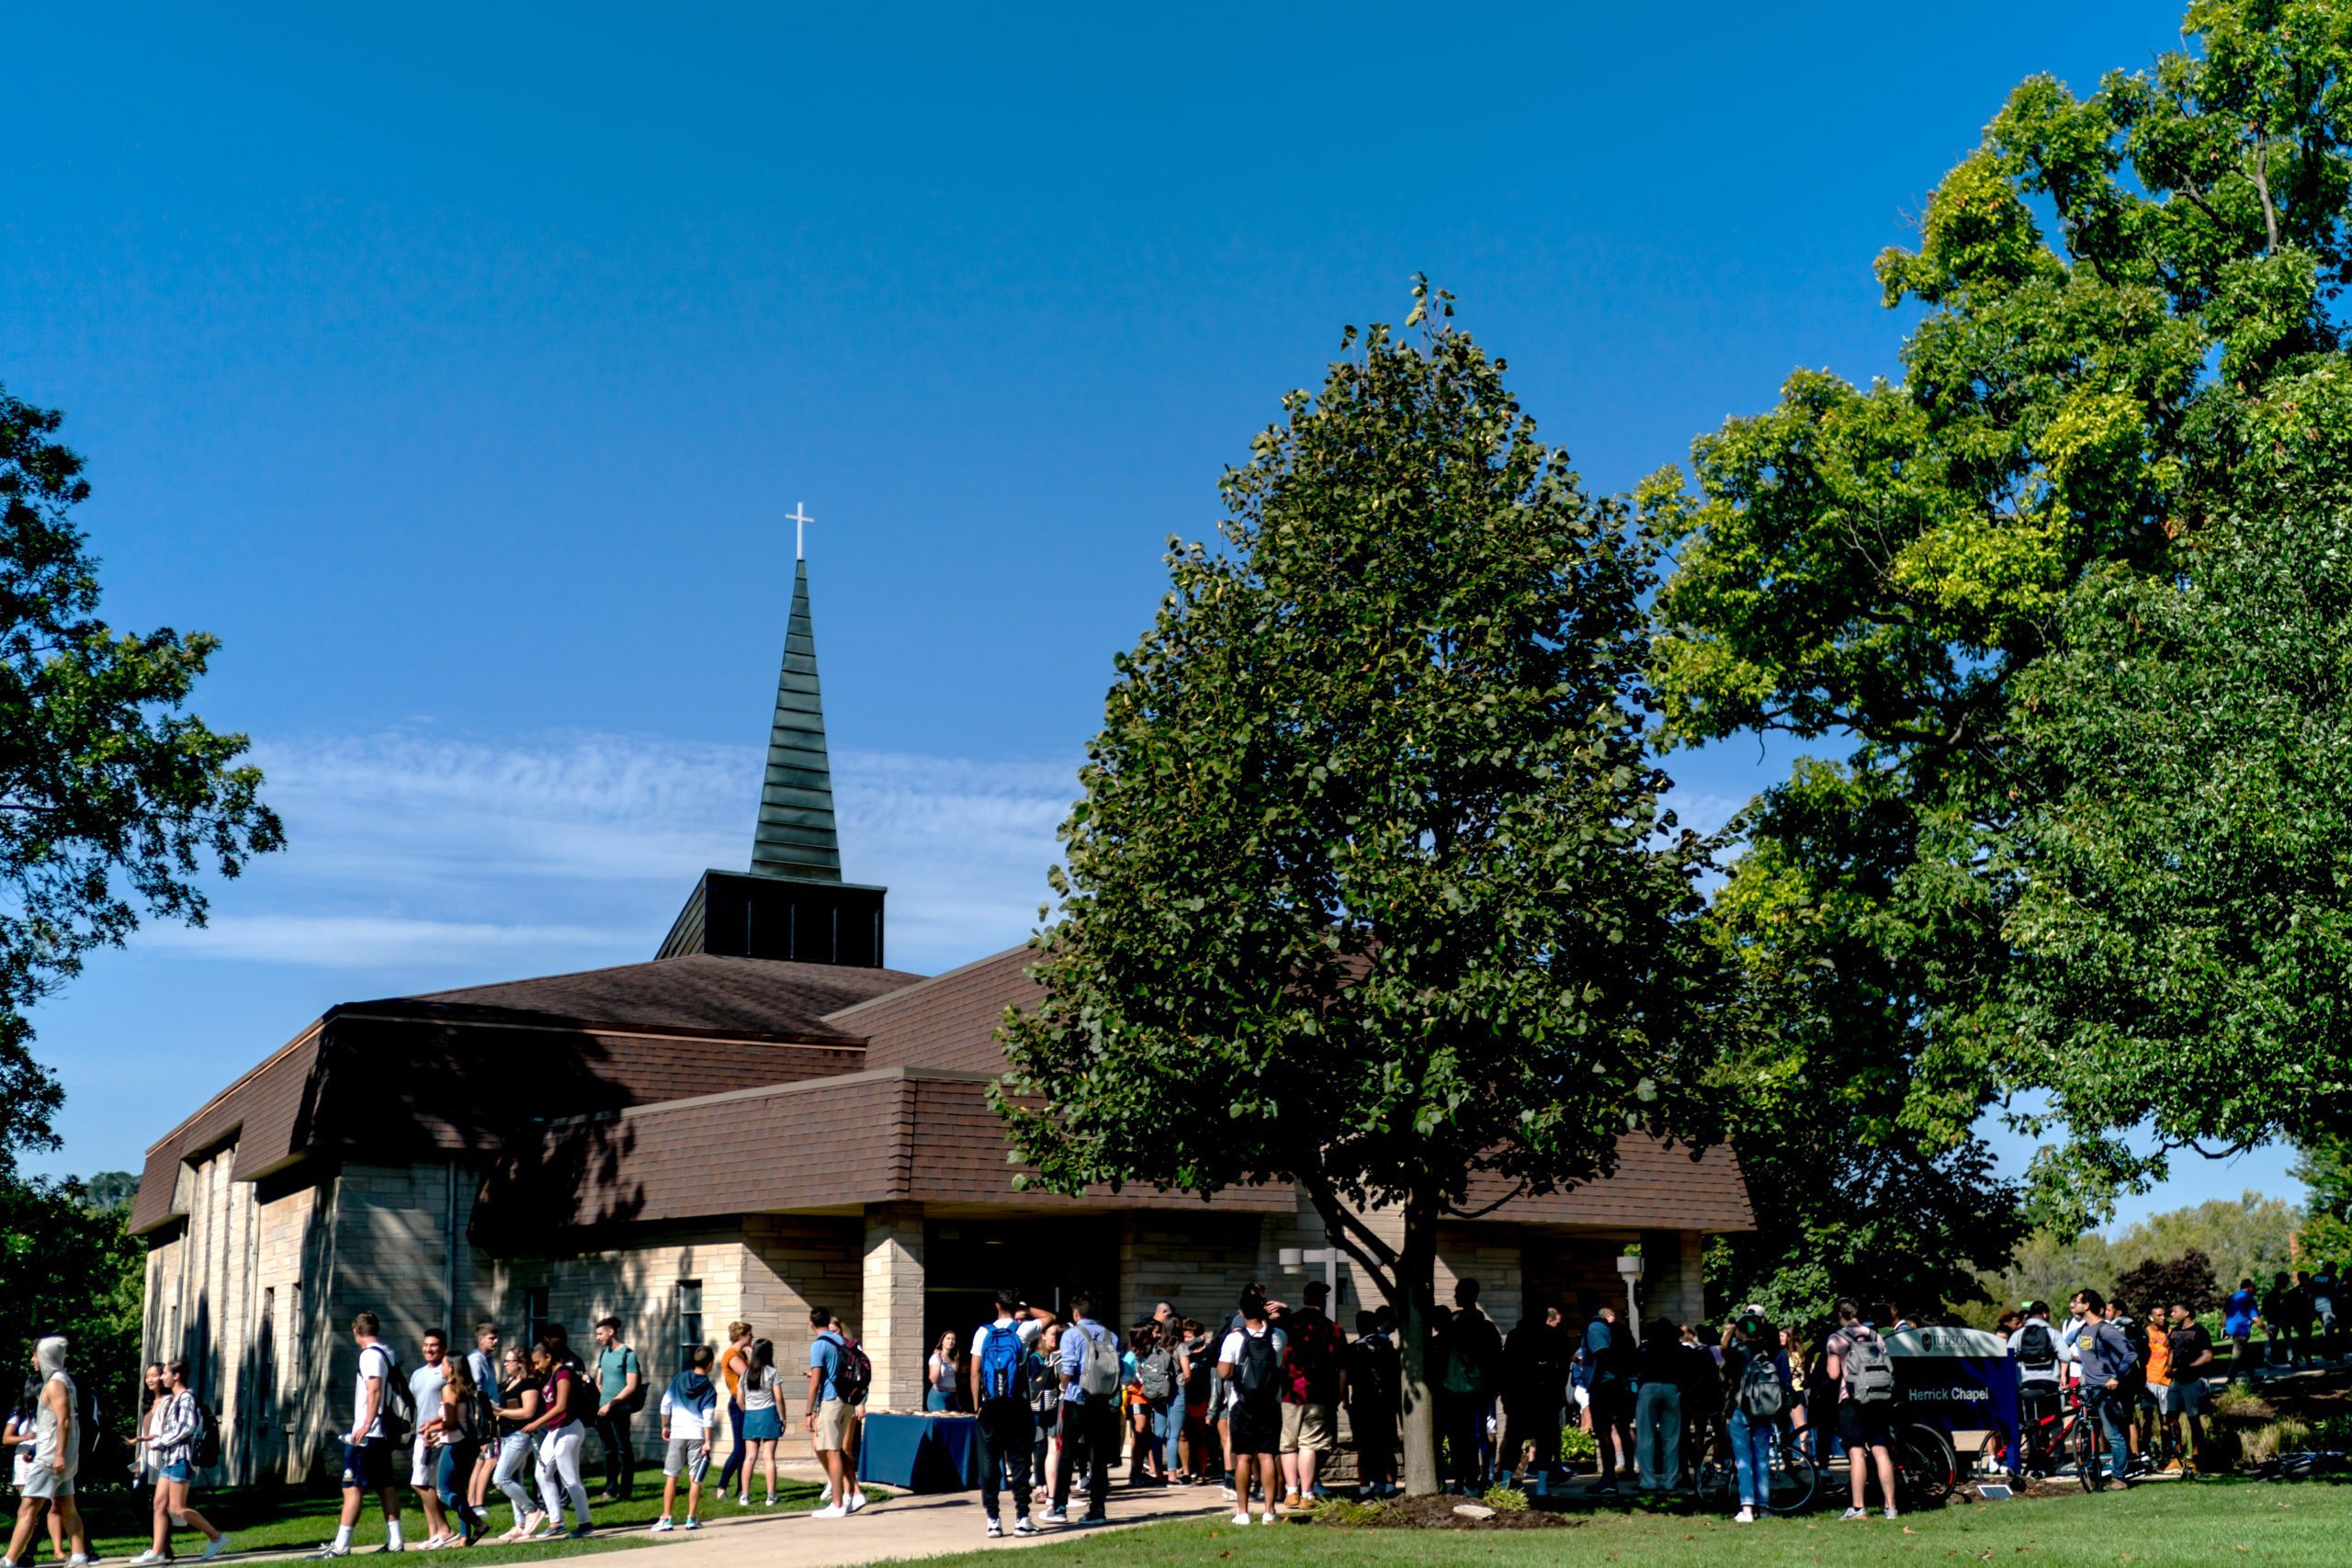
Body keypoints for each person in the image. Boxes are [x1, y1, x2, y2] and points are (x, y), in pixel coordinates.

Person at [309, 1312, 404, 1558]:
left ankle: (341, 1546)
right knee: (385, 1486)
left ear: (356, 1331)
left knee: (351, 1487)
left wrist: (365, 1424)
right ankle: (396, 1541)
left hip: (367, 1435)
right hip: (380, 1434)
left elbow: (374, 1391)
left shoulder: (370, 1356)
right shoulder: (386, 1352)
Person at [130, 1357, 230, 1564]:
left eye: (165, 1373)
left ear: (176, 1376)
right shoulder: (175, 1399)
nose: (162, 1377)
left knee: (177, 1508)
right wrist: (147, 1439)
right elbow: (170, 1429)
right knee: (159, 1504)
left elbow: (186, 1428)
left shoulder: (185, 1398)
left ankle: (216, 1537)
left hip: (180, 1460)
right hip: (170, 1459)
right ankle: (157, 1551)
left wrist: (159, 1442)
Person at [4, 1337, 86, 1568]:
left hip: (50, 1457)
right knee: (66, 1505)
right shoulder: (65, 1381)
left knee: (27, 1509)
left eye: (36, 1354)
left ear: (46, 1356)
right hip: (63, 1458)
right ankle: (79, 1557)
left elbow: (64, 1420)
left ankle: (9, 1560)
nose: (32, 1360)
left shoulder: (55, 1384)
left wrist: (59, 1454)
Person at [970, 1288, 1043, 1538]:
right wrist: (1027, 1309)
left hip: (990, 1405)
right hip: (1017, 1404)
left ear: (996, 1305)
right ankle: (1022, 1517)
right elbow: (1050, 1318)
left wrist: (976, 1406)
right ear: (1016, 1306)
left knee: (989, 1461)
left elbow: (974, 1372)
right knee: (1020, 1461)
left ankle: (993, 1520)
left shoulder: (983, 1333)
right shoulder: (1023, 1330)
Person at [1050, 1291, 1123, 1526]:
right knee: (1098, 1457)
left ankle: (1059, 1507)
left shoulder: (1071, 1334)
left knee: (1067, 1454)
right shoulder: (1111, 1335)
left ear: (1076, 1312)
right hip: (1101, 1402)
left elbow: (1068, 1369)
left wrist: (1062, 1387)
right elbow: (1119, 1369)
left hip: (1076, 1399)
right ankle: (1097, 1509)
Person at [1824, 1299, 1898, 1521]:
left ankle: (1858, 1508)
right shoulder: (1875, 1335)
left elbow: (1833, 1374)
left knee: (1857, 1453)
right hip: (1879, 1398)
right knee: (1881, 1450)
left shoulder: (1837, 1338)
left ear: (1840, 1314)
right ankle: (1891, 1507)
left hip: (1853, 1400)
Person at [1218, 1292, 1286, 1527]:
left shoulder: (1233, 1339)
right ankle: (1270, 1511)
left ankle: (1243, 1512)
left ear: (1242, 1313)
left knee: (1244, 1458)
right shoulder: (1278, 1336)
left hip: (1241, 1405)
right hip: (1271, 1403)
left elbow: (1224, 1372)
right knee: (1267, 1457)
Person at [1275, 1280, 1343, 1505]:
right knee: (1309, 1444)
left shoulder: (1288, 1323)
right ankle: (1307, 1494)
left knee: (1288, 1444)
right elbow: (1342, 1367)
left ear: (1304, 1299)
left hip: (1290, 1393)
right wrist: (1340, 1396)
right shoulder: (1333, 1328)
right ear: (1323, 1302)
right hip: (1318, 1393)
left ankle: (1291, 1491)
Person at [1720, 1311, 1790, 1525]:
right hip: (1765, 1410)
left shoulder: (1735, 1354)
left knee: (1743, 1460)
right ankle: (1764, 1506)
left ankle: (1747, 1508)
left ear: (1739, 1331)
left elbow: (1724, 1379)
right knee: (1761, 1459)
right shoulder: (1768, 1353)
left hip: (1742, 1409)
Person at [521, 1337, 594, 1537]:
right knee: (541, 1474)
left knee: (570, 1478)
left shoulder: (563, 1374)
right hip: (556, 1431)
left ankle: (584, 1522)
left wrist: (536, 1423)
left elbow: (561, 1406)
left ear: (548, 1357)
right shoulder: (551, 1375)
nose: (536, 1367)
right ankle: (556, 1522)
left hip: (569, 1429)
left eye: (537, 1362)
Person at [1436, 1280, 1499, 1495]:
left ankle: (1465, 1480)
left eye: (1457, 1292)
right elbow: (1496, 1360)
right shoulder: (1487, 1328)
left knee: (1459, 1439)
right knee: (1475, 1436)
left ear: (1466, 1294)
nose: (1454, 1296)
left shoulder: (1453, 1327)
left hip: (1455, 1390)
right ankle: (1476, 1478)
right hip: (1478, 1389)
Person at [2069, 1291, 2135, 1493]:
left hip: (2106, 1390)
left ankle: (2119, 1477)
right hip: (2088, 1389)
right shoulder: (2082, 1330)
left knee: (2113, 1435)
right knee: (2090, 1434)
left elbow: (2130, 1354)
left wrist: (2117, 1377)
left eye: (2078, 1302)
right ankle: (2090, 1474)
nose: (2074, 1305)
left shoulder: (2106, 1330)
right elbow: (2065, 1347)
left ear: (2087, 1305)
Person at [804, 1306, 864, 1519]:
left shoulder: (819, 1344)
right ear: (828, 1321)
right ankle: (856, 1494)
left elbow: (815, 1380)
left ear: (811, 1323)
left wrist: (808, 1411)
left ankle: (837, 1504)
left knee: (832, 1451)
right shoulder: (841, 1340)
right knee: (837, 1448)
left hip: (832, 1399)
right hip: (848, 1400)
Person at [421, 1352, 487, 1546]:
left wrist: (430, 1430)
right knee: (457, 1489)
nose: (440, 1369)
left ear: (451, 1367)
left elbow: (449, 1422)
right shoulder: (465, 1388)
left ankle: (478, 1524)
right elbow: (455, 1416)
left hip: (455, 1445)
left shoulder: (448, 1388)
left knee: (444, 1492)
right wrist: (432, 1425)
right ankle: (465, 1536)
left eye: (442, 1365)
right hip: (468, 1443)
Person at [651, 1345, 718, 1532]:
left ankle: (666, 1518)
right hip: (697, 1435)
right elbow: (708, 1417)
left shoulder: (678, 1379)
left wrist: (666, 1426)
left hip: (678, 1433)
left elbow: (665, 1404)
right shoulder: (709, 1389)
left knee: (671, 1476)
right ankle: (691, 1518)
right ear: (710, 1364)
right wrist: (708, 1441)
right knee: (695, 1478)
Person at [486, 1347, 544, 1541]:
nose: (506, 1364)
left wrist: (501, 1412)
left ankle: (532, 1510)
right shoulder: (508, 1383)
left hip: (520, 1435)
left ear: (520, 1363)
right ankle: (519, 1524)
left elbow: (528, 1412)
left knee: (500, 1479)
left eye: (509, 1361)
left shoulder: (528, 1384)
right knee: (514, 1480)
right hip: (506, 1435)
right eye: (505, 1361)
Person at [1580, 1301, 1634, 1497]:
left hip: (1605, 1385)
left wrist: (1595, 1381)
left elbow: (1602, 1354)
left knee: (1603, 1431)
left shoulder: (1594, 1327)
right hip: (1618, 1384)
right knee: (1622, 1428)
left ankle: (1609, 1478)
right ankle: (1624, 1470)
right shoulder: (1618, 1329)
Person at [405, 1332, 454, 1548]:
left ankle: (445, 1529)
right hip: (420, 1434)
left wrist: (439, 1429)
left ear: (442, 1348)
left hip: (437, 1435)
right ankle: (433, 1533)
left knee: (419, 1483)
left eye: (433, 1345)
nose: (428, 1349)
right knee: (426, 1485)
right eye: (425, 1345)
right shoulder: (417, 1374)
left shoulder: (446, 1374)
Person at [1344, 1310, 1399, 1497]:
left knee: (1363, 1447)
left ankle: (1364, 1487)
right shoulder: (1388, 1347)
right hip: (1385, 1402)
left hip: (1362, 1402)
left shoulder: (1353, 1349)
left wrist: (1344, 1402)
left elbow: (1346, 1377)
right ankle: (1391, 1485)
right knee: (1386, 1446)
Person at [588, 1317, 642, 1504]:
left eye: (600, 1333)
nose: (597, 1337)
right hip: (602, 1410)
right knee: (608, 1450)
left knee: (623, 1449)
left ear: (611, 1332)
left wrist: (611, 1403)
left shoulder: (629, 1355)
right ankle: (610, 1489)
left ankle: (625, 1492)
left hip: (619, 1409)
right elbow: (600, 1375)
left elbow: (631, 1386)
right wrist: (598, 1386)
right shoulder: (604, 1354)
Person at [2006, 1301, 2064, 1472]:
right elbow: (2066, 1355)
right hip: (2050, 1382)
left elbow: (2008, 1355)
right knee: (2055, 1424)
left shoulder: (2019, 1334)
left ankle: (2034, 1463)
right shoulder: (2052, 1333)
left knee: (2031, 1425)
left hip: (2028, 1383)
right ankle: (2059, 1463)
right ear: (2045, 1313)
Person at [1631, 1318, 1684, 1494]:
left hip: (1649, 1386)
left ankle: (1648, 1480)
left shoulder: (1645, 1348)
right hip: (1671, 1387)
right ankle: (1670, 1480)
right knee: (1671, 1438)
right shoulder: (1676, 1349)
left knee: (1646, 1436)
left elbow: (1634, 1367)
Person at [2162, 1302, 2213, 1472]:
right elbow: (2172, 1352)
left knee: (2193, 1418)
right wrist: (2169, 1368)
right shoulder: (2174, 1331)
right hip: (2176, 1381)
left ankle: (2197, 1458)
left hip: (2193, 1380)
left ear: (2186, 1313)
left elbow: (2207, 1356)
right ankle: (2177, 1456)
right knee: (2170, 1417)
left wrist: (2189, 1367)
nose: (2172, 1314)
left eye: (2175, 1311)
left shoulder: (2200, 1331)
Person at [735, 1338, 782, 1507]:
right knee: (769, 1457)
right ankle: (771, 1496)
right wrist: (782, 1416)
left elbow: (739, 1399)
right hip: (768, 1414)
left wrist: (746, 1411)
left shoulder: (746, 1374)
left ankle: (745, 1496)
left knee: (749, 1457)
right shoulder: (772, 1372)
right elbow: (778, 1397)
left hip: (751, 1416)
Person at [1134, 1322, 1180, 1485]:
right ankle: (1170, 1475)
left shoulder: (1154, 1350)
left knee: (1157, 1433)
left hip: (1153, 1395)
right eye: (1152, 1333)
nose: (1155, 1335)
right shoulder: (1175, 1348)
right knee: (1171, 1434)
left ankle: (1158, 1472)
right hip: (1149, 1396)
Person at [712, 1323, 753, 1503]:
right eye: (750, 1334)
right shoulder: (732, 1355)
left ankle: (741, 1489)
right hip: (738, 1404)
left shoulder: (742, 1354)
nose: (752, 1337)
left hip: (746, 1403)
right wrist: (755, 1355)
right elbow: (749, 1376)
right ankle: (721, 1488)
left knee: (744, 1450)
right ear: (742, 1336)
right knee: (739, 1449)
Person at [464, 1325, 500, 1515]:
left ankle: (473, 1501)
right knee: (489, 1459)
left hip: (491, 1414)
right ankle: (476, 1503)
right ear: (481, 1339)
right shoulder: (476, 1360)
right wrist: (482, 1421)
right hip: (484, 1417)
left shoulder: (488, 1359)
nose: (495, 1341)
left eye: (496, 1338)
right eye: (491, 1338)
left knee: (482, 1460)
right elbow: (475, 1392)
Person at [2223, 1280, 2260, 1386]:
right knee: (2237, 1356)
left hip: (2231, 1329)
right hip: (2242, 1330)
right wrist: (2266, 1329)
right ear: (2249, 1287)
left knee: (2246, 1355)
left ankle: (2253, 1377)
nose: (2254, 1289)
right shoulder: (2249, 1298)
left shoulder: (2231, 1298)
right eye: (2253, 1287)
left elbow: (2225, 1315)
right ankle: (2230, 1379)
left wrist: (2223, 1328)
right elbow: (2255, 1318)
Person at [925, 1332, 962, 1416]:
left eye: (953, 1339)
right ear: (942, 1341)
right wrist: (939, 1362)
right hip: (939, 1395)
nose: (951, 1341)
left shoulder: (955, 1358)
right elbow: (933, 1379)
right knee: (943, 1422)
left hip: (952, 1395)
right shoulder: (936, 1357)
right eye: (948, 1338)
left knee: (956, 1422)